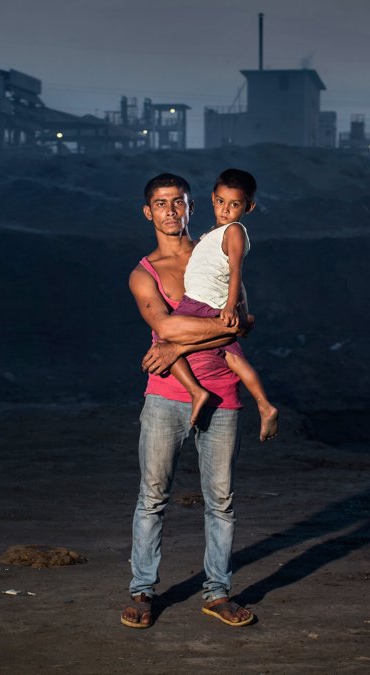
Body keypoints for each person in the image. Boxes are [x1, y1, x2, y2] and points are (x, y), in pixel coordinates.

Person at [121, 173, 256, 630]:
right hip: (165, 398)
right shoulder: (144, 273)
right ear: (149, 212)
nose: (170, 211)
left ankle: (217, 593)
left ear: (191, 206)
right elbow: (173, 326)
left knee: (221, 502)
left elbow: (248, 318)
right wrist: (218, 329)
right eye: (161, 204)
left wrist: (178, 344)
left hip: (223, 397)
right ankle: (143, 590)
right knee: (153, 497)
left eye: (178, 202)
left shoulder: (216, 248)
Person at [167, 168, 278, 442]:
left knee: (164, 338)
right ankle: (265, 405)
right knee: (232, 356)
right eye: (221, 202)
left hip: (203, 304)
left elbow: (236, 271)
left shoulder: (235, 231)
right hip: (204, 301)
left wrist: (230, 306)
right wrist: (241, 308)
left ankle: (196, 391)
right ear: (213, 198)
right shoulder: (213, 234)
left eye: (235, 205)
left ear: (248, 207)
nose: (225, 210)